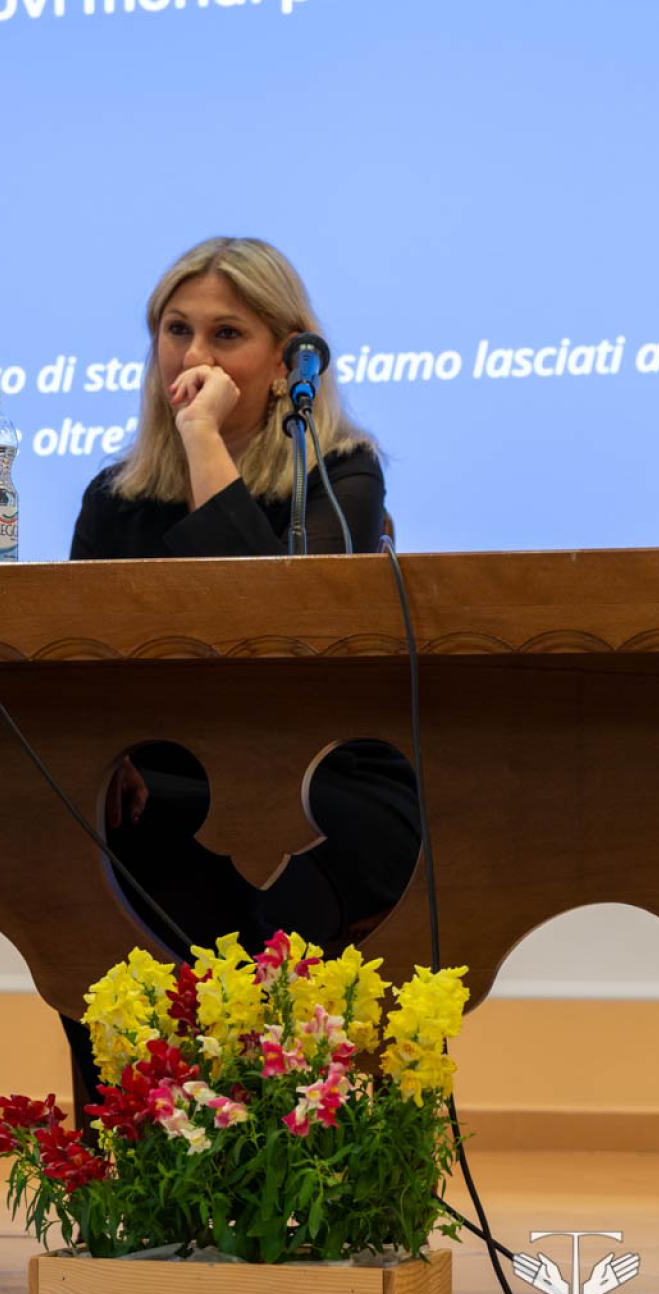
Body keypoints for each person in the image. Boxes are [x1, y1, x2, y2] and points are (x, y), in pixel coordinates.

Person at [64, 236, 422, 1099]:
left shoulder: (341, 475)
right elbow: (80, 663)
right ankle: (134, 1150)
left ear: (288, 359)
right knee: (80, 873)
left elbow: (269, 628)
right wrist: (103, 754)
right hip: (173, 783)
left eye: (226, 335)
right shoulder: (114, 499)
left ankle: (291, 1147)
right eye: (176, 330)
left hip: (326, 780)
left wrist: (201, 440)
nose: (194, 356)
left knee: (273, 883)